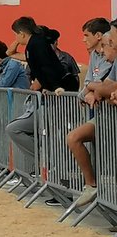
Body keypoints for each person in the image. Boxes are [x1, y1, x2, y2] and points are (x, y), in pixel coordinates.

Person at [66, 19, 116, 209]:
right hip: (101, 115)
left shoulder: (110, 56)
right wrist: (91, 90)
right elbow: (89, 83)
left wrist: (95, 90)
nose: (103, 51)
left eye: (86, 35)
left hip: (107, 115)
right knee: (74, 139)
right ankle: (92, 185)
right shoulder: (94, 54)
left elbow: (102, 86)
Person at [6, 16, 70, 162]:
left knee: (51, 134)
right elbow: (10, 54)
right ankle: (47, 162)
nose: (15, 38)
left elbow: (46, 66)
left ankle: (47, 162)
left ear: (22, 33)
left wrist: (53, 86)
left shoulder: (37, 44)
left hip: (55, 94)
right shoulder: (33, 44)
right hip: (48, 94)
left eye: (16, 34)